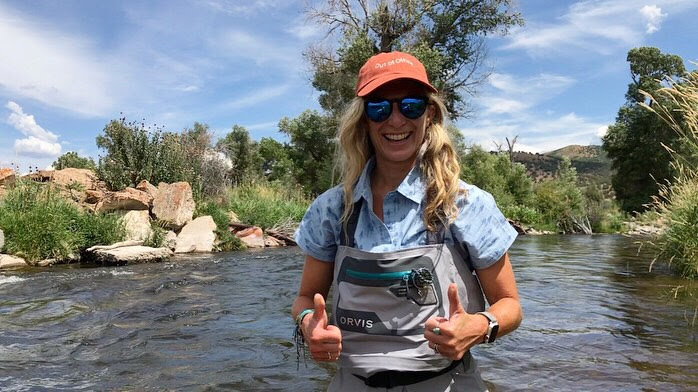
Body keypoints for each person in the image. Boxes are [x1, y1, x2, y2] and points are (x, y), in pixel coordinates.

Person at [292, 51, 522, 391]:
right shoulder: (331, 210)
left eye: (410, 105)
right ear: (364, 120)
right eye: (379, 107)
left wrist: (480, 325)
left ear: (429, 114)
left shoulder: (467, 205)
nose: (396, 120)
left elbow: (511, 306)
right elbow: (305, 297)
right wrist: (309, 323)